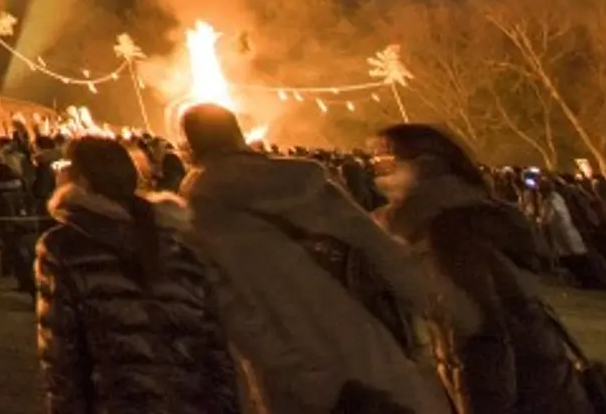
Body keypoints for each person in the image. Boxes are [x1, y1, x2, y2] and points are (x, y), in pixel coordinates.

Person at [177, 103, 449, 414]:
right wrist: (446, 311)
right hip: (368, 345)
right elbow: (383, 253)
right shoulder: (304, 183)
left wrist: (313, 383)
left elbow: (238, 316)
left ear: (190, 146)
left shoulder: (198, 216)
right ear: (237, 133)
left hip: (305, 382)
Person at [370, 125, 586, 414]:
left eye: (386, 164)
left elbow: (480, 337)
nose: (378, 176)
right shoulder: (472, 213)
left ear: (425, 165)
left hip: (525, 394)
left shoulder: (447, 230)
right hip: (545, 381)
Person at [32, 135, 241, 414]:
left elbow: (62, 356)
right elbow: (214, 348)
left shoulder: (67, 247)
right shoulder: (176, 242)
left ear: (80, 180)